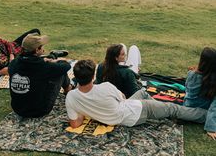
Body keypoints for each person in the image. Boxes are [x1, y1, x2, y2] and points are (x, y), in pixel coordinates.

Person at [66, 60, 207, 129]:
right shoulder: (105, 87)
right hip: (133, 113)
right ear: (93, 77)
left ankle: (161, 110)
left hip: (119, 114)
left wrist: (84, 111)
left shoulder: (71, 97)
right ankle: (205, 115)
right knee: (172, 108)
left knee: (143, 93)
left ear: (76, 77)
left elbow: (74, 124)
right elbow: (123, 98)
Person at [9, 33, 72, 118]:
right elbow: (66, 66)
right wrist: (55, 62)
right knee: (59, 72)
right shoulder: (42, 66)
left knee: (49, 71)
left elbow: (30, 68)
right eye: (42, 46)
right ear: (37, 50)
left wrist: (45, 61)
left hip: (18, 109)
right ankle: (68, 90)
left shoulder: (13, 63)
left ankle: (53, 55)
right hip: (40, 110)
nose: (43, 48)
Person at [184, 47, 216, 140]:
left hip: (186, 107)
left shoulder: (191, 73)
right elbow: (214, 107)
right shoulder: (213, 82)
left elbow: (187, 87)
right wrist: (211, 128)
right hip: (201, 113)